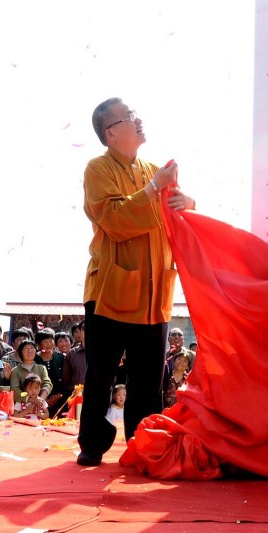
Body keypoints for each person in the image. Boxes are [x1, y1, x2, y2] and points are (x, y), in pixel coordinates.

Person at [76, 98, 195, 467]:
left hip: (155, 293)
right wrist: (151, 190)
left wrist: (186, 202)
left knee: (148, 380)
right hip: (112, 290)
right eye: (130, 117)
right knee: (102, 375)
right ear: (111, 133)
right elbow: (114, 219)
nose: (139, 120)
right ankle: (93, 445)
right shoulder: (98, 169)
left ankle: (145, 446)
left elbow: (171, 221)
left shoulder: (150, 169)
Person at [9, 340, 51, 406]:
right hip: (21, 406)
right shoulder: (15, 371)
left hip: (40, 404)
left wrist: (41, 399)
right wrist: (29, 398)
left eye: (32, 348)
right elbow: (15, 390)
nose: (29, 351)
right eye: (26, 348)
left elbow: (47, 384)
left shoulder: (42, 368)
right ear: (21, 352)